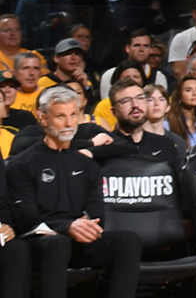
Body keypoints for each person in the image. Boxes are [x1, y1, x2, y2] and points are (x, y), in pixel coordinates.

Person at [6, 86, 144, 298]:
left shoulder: (86, 164)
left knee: (128, 240)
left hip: (78, 237)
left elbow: (97, 213)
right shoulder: (22, 164)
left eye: (73, 115)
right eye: (60, 116)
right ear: (43, 118)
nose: (69, 123)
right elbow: (27, 219)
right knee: (57, 243)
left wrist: (85, 227)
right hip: (42, 240)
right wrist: (67, 226)